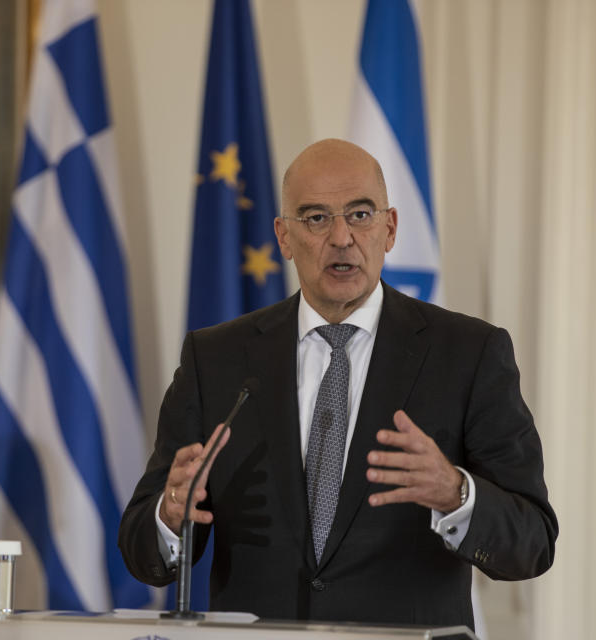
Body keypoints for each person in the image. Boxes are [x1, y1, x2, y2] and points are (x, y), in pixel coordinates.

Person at [118, 139, 557, 628]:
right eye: (316, 218)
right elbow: (141, 551)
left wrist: (455, 493)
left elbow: (533, 541)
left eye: (361, 214)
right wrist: (170, 513)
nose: (343, 237)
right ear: (284, 237)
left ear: (389, 229)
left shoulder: (469, 354)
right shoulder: (217, 359)